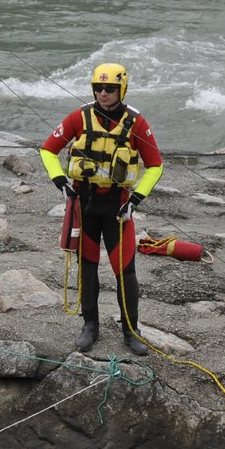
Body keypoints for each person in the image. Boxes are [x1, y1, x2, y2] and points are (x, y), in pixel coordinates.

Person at [39, 63, 165, 356]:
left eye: (110, 88)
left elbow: (155, 166)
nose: (103, 93)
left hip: (119, 210)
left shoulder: (137, 123)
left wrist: (135, 200)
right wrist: (61, 182)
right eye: (98, 88)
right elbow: (47, 150)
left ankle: (131, 331)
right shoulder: (79, 118)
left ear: (123, 89)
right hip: (85, 207)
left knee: (126, 271)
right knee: (88, 266)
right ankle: (90, 326)